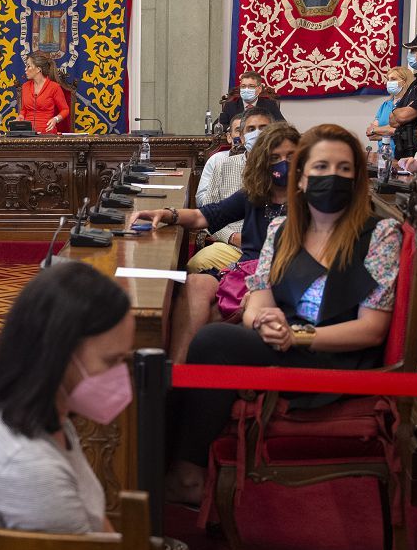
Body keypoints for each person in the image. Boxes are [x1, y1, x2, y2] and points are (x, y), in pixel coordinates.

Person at [166, 124, 402, 506]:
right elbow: (258, 298)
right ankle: (173, 471)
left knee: (212, 341)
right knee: (201, 352)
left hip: (336, 356)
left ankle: (186, 476)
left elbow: (372, 330)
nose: (333, 177)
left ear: (358, 177)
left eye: (344, 169)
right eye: (321, 167)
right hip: (283, 343)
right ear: (303, 177)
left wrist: (298, 336)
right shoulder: (281, 229)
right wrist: (262, 320)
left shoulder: (380, 234)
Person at [0, 262, 133, 534]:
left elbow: (96, 528)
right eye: (111, 361)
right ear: (59, 354)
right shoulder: (30, 468)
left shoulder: (44, 416)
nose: (121, 376)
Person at [128, 123, 300, 363]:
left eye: (291, 156)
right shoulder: (255, 194)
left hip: (281, 276)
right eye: (275, 157)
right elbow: (204, 216)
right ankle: (175, 374)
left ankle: (186, 376)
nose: (284, 163)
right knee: (196, 283)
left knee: (208, 317)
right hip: (244, 270)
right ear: (263, 162)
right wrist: (167, 214)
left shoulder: (309, 201)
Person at [188, 110, 275, 273]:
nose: (257, 134)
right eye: (251, 129)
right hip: (232, 246)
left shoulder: (282, 169)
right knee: (196, 264)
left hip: (273, 250)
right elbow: (209, 214)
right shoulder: (223, 166)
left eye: (263, 128)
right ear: (241, 137)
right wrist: (233, 237)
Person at [195, 112, 244, 207]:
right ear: (229, 137)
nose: (242, 135)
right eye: (238, 130)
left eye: (247, 131)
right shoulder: (216, 160)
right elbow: (200, 199)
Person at [19, 51, 71, 134]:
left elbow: (65, 110)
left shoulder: (54, 87)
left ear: (38, 69)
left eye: (28, 66)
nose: (25, 69)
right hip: (27, 133)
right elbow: (23, 110)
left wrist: (55, 119)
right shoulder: (25, 86)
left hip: (47, 132)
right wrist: (20, 116)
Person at [217, 70, 284, 129]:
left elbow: (282, 125)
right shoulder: (230, 106)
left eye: (251, 86)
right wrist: (236, 128)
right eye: (243, 86)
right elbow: (218, 126)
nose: (246, 89)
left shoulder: (270, 105)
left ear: (259, 89)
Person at [365, 65, 414, 144]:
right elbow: (370, 134)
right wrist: (390, 132)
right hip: (383, 153)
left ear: (404, 82)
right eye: (388, 79)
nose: (389, 82)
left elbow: (405, 132)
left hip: (403, 154)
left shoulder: (410, 104)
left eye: (393, 79)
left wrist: (377, 130)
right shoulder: (385, 105)